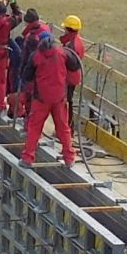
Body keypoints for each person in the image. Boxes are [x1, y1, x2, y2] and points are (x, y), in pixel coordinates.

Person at [23, 16, 80, 165]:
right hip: (59, 97)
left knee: (34, 128)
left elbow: (26, 75)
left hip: (41, 98)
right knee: (63, 128)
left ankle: (28, 157)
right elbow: (75, 65)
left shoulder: (35, 56)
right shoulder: (62, 52)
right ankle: (69, 157)